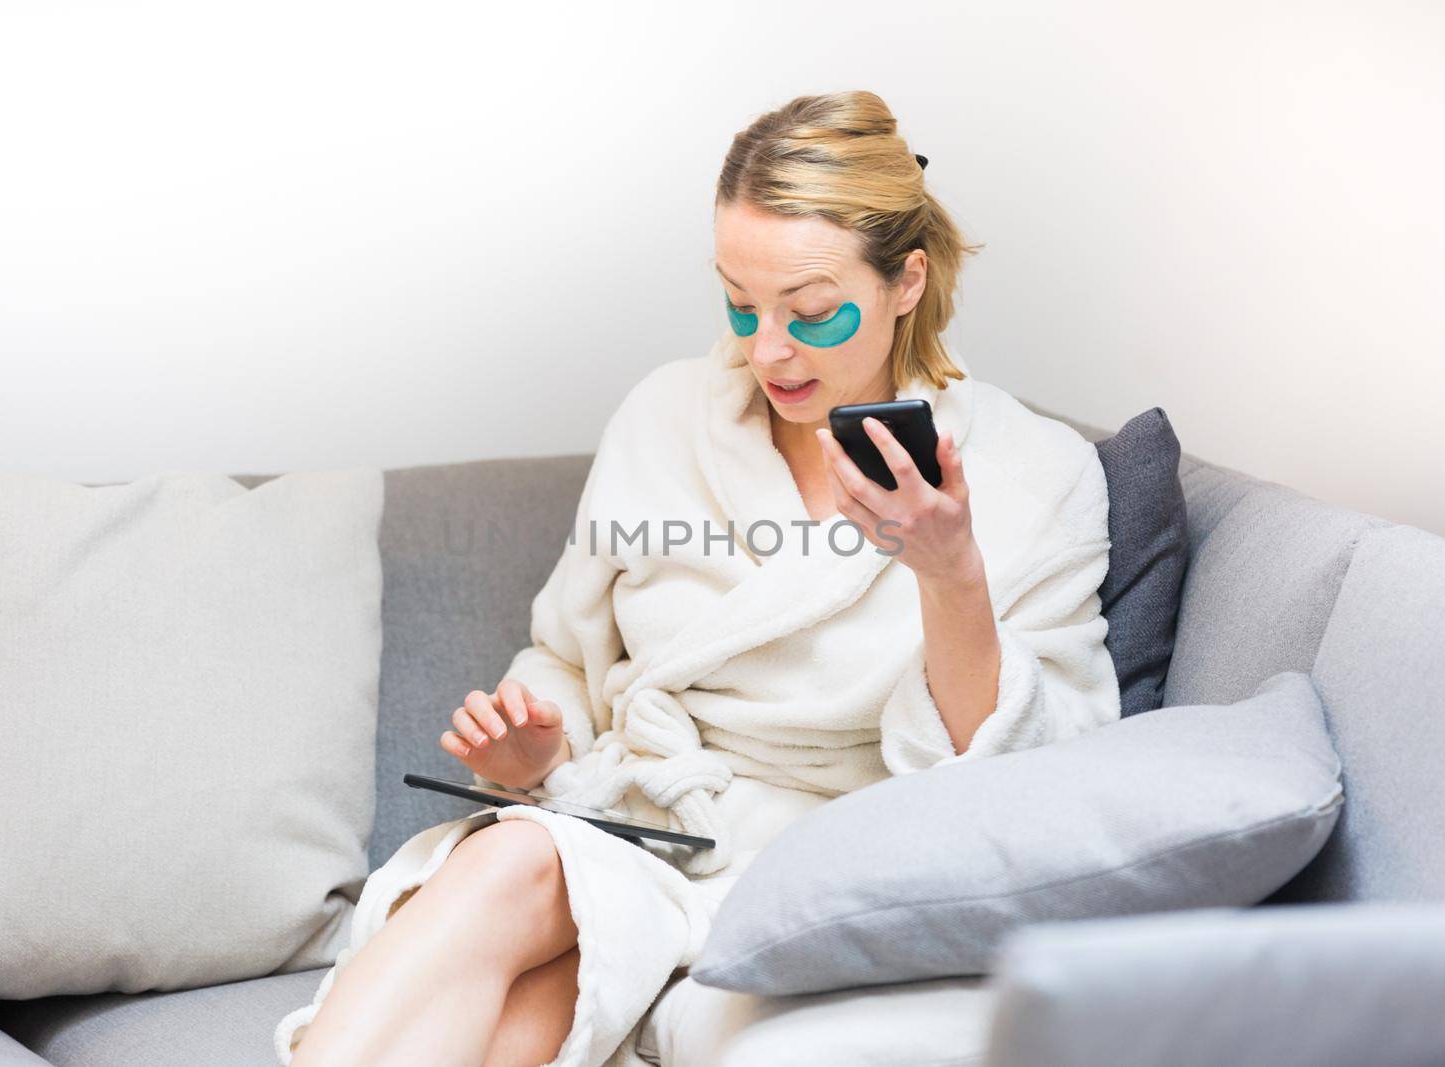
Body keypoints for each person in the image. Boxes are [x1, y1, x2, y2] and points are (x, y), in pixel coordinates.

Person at [276, 89, 1121, 1067]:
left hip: (816, 873)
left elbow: (1023, 782)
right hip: (639, 833)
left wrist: (952, 578)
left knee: (523, 1004)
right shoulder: (664, 418)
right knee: (508, 860)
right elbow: (567, 656)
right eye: (738, 301)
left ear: (906, 280)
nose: (765, 350)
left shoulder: (1034, 476)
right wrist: (532, 750)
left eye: (810, 311)